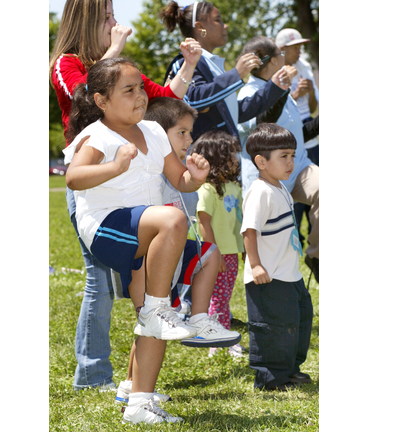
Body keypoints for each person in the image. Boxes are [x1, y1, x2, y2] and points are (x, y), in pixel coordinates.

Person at [49, 0, 203, 391]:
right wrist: (111, 56)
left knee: (151, 299)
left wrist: (187, 65)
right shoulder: (68, 64)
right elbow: (85, 98)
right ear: (86, 21)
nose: (117, 24)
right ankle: (93, 374)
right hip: (101, 194)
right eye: (108, 17)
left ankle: (136, 392)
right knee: (100, 282)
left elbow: (164, 100)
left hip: (140, 202)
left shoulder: (139, 107)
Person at [64, 57, 216, 424]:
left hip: (148, 230)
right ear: (101, 101)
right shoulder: (97, 135)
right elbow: (73, 177)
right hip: (106, 227)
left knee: (158, 310)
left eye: (141, 88)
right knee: (171, 226)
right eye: (128, 90)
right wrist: (115, 166)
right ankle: (158, 308)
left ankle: (139, 402)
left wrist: (194, 177)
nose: (140, 96)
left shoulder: (152, 131)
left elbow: (179, 180)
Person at [113, 97, 241, 406]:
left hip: (170, 259)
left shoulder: (179, 171)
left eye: (190, 132)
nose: (189, 140)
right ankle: (134, 387)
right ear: (157, 135)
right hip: (146, 262)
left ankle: (198, 320)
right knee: (149, 324)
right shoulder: (149, 172)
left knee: (154, 321)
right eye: (181, 133)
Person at [236, 36, 319, 284]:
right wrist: (281, 89)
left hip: (299, 167)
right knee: (269, 249)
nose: (286, 59)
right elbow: (262, 127)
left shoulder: (282, 91)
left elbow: (296, 137)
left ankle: (317, 256)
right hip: (267, 179)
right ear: (274, 60)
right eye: (281, 55)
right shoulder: (248, 93)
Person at [241, 123, 315, 391]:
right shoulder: (260, 192)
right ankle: (270, 378)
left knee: (299, 319)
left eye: (292, 156)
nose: (290, 162)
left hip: (289, 272)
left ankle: (290, 369)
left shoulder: (280, 186)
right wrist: (256, 265)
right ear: (261, 161)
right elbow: (249, 231)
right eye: (283, 156)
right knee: (273, 327)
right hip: (269, 276)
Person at [159, 1, 293, 142]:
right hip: (202, 159)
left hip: (225, 155)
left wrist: (275, 87)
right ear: (200, 27)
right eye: (218, 20)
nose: (225, 25)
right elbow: (193, 101)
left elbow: (236, 113)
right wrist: (236, 74)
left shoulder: (212, 64)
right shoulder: (185, 63)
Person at [189, 131, 246, 358]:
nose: (236, 158)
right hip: (218, 254)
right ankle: (217, 341)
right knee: (218, 299)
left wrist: (242, 249)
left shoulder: (233, 187)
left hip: (231, 252)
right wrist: (215, 254)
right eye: (230, 153)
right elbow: (204, 223)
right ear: (216, 157)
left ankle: (221, 336)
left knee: (223, 297)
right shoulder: (207, 189)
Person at [276, 28, 320, 249]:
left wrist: (311, 93)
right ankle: (296, 247)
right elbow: (273, 112)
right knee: (293, 208)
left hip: (311, 140)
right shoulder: (276, 72)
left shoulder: (304, 67)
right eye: (295, 46)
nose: (299, 50)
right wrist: (295, 95)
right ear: (282, 50)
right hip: (288, 139)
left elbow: (313, 109)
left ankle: (315, 251)